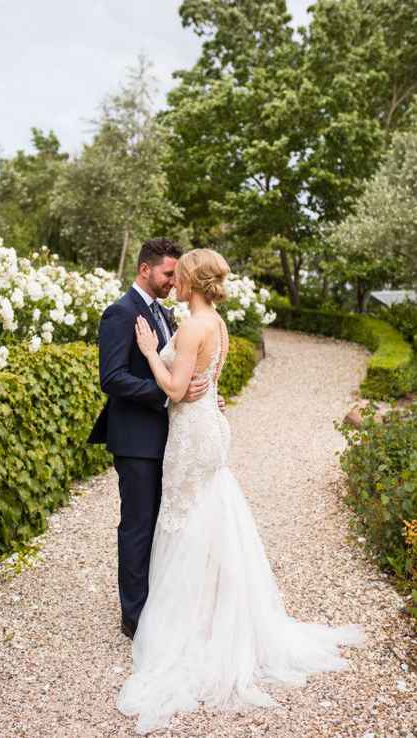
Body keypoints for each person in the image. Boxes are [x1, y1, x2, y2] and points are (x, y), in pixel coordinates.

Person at [116, 248, 366, 735]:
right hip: (209, 427)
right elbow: (205, 385)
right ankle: (219, 613)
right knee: (209, 516)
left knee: (186, 520)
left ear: (190, 279)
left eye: (179, 274)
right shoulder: (220, 324)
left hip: (191, 434)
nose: (176, 280)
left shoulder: (191, 326)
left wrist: (149, 352)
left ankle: (195, 625)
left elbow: (176, 389)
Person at [87, 238, 224, 640]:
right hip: (136, 440)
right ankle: (134, 617)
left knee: (166, 524)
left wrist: (197, 396)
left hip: (170, 437)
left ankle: (162, 603)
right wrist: (168, 394)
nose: (172, 281)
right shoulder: (120, 312)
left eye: (176, 275)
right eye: (167, 273)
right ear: (145, 269)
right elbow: (111, 377)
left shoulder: (166, 314)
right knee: (138, 525)